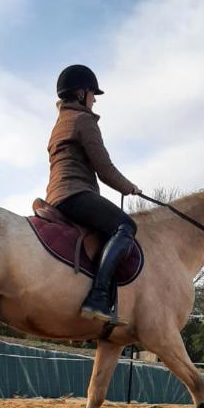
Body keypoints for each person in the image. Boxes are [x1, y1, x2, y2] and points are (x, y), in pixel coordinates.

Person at [46, 64, 141, 324]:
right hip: (75, 193)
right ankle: (98, 297)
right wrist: (128, 187)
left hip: (56, 195)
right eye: (92, 93)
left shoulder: (60, 122)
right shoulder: (83, 120)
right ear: (80, 93)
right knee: (126, 225)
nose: (95, 99)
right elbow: (104, 167)